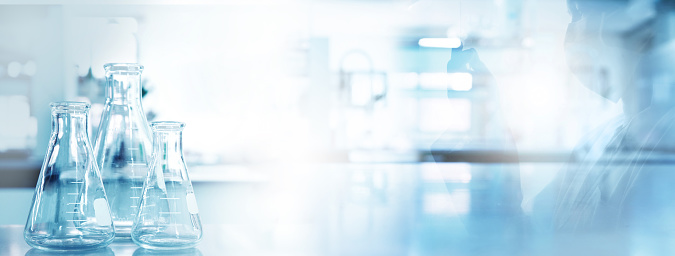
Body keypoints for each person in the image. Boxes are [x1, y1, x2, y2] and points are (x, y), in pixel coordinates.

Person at [532, 0, 675, 234]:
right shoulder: (602, 139)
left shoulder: (666, 142)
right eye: (573, 15)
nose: (574, 34)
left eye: (580, 14)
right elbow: (534, 225)